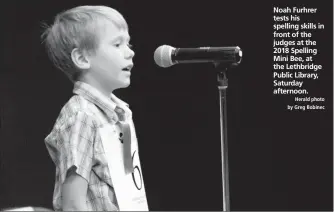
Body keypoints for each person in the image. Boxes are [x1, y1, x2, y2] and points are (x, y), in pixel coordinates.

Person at [41, 5, 146, 211]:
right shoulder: (82, 115)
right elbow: (72, 204)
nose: (130, 52)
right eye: (117, 44)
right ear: (82, 58)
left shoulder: (120, 114)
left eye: (128, 43)